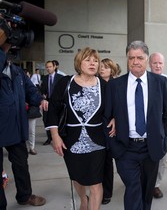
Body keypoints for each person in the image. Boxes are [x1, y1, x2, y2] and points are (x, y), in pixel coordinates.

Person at [104, 40, 167, 210]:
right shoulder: (114, 85)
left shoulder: (160, 83)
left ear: (146, 59)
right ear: (127, 59)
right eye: (131, 58)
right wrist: (113, 146)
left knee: (146, 192)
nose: (135, 61)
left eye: (139, 58)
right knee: (133, 189)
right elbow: (106, 116)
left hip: (152, 148)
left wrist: (163, 142)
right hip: (125, 149)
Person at [46, 47, 115, 210]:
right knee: (77, 178)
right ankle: (83, 199)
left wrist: (115, 118)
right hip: (71, 139)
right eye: (88, 59)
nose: (93, 63)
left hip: (98, 140)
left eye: (96, 60)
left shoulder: (103, 85)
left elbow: (113, 107)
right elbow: (53, 110)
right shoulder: (65, 83)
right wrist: (55, 136)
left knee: (96, 182)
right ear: (79, 62)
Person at [0, 23, 47, 209]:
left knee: (21, 165)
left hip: (16, 128)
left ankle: (25, 195)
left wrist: (42, 100)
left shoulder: (17, 72)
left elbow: (32, 92)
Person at [148, 52, 167, 199]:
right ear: (149, 64)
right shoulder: (144, 79)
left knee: (162, 155)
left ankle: (156, 185)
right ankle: (143, 181)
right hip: (147, 124)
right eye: (155, 63)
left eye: (160, 63)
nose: (158, 66)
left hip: (163, 123)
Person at [99, 58, 119, 205]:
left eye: (105, 67)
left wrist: (116, 119)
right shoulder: (95, 83)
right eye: (101, 67)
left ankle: (107, 192)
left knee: (109, 160)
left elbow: (123, 105)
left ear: (112, 70)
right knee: (100, 160)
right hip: (97, 126)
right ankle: (100, 190)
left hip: (111, 127)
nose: (102, 69)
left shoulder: (117, 84)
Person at [41, 61, 64, 145]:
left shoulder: (60, 77)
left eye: (50, 67)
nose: (48, 68)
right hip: (47, 101)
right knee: (46, 119)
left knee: (58, 119)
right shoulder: (44, 78)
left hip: (57, 101)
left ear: (54, 67)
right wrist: (42, 97)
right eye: (47, 67)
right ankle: (49, 138)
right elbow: (41, 90)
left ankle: (59, 136)